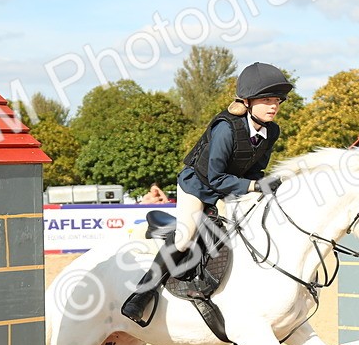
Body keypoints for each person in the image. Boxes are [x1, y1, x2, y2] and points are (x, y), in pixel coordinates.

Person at [121, 62, 293, 325]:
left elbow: (256, 169)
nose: (274, 106)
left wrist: (266, 184)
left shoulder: (272, 130)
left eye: (277, 101)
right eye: (267, 100)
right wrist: (253, 186)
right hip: (197, 186)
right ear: (247, 102)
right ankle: (141, 295)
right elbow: (216, 177)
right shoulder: (226, 127)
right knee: (184, 237)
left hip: (229, 188)